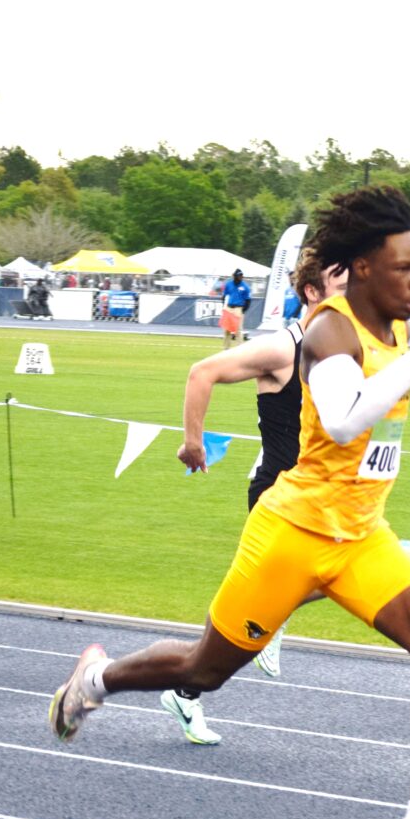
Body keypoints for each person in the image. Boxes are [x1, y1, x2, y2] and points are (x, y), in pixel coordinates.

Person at [49, 186, 410, 819]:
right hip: (293, 533)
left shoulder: (402, 327)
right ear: (365, 268)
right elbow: (346, 420)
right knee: (205, 670)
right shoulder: (329, 331)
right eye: (406, 269)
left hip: (360, 536)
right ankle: (96, 679)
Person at [161, 249, 348, 744]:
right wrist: (193, 443)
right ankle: (168, 687)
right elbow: (203, 372)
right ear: (313, 292)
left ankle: (267, 620)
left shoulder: (341, 352)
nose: (352, 296)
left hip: (321, 498)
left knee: (321, 583)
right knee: (238, 625)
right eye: (342, 285)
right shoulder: (283, 350)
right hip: (279, 500)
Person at [220, 269, 251, 349]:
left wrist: (243, 310)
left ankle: (240, 350)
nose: (241, 277)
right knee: (227, 330)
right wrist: (224, 306)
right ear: (234, 276)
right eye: (239, 276)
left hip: (238, 308)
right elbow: (224, 296)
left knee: (238, 330)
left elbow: (248, 300)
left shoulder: (245, 286)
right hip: (229, 307)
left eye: (241, 276)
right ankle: (226, 349)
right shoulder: (229, 284)